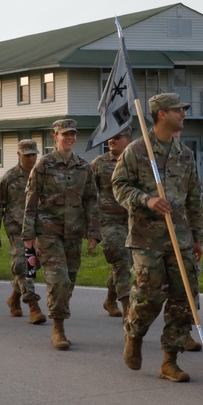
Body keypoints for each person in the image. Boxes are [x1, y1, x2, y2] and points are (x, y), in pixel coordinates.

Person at [113, 94, 203, 382]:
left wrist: (198, 237)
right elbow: (119, 186)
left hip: (180, 238)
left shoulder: (185, 155)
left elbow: (194, 199)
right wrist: (146, 200)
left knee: (183, 300)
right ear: (162, 114)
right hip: (146, 237)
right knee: (149, 296)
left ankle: (170, 360)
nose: (184, 114)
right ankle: (134, 334)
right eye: (180, 110)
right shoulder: (138, 151)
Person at [22, 119, 101, 350]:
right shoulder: (44, 165)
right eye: (65, 134)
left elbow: (91, 200)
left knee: (70, 281)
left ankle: (59, 315)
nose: (69, 138)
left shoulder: (83, 167)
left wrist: (93, 232)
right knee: (59, 279)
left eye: (73, 134)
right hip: (48, 232)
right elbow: (31, 199)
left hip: (74, 233)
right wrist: (28, 233)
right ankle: (58, 327)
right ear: (55, 136)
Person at [0, 139, 46, 324]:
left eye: (33, 154)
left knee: (34, 265)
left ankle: (14, 297)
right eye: (27, 154)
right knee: (23, 265)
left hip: (40, 227)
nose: (31, 158)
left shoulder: (43, 174)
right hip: (17, 227)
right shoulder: (10, 177)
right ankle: (33, 306)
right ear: (19, 155)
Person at [90, 128, 132, 319]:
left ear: (127, 139)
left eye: (116, 137)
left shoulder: (137, 161)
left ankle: (110, 299)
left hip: (132, 220)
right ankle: (128, 307)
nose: (111, 141)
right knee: (122, 257)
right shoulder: (99, 163)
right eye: (109, 138)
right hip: (108, 220)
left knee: (124, 262)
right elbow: (88, 194)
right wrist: (91, 227)